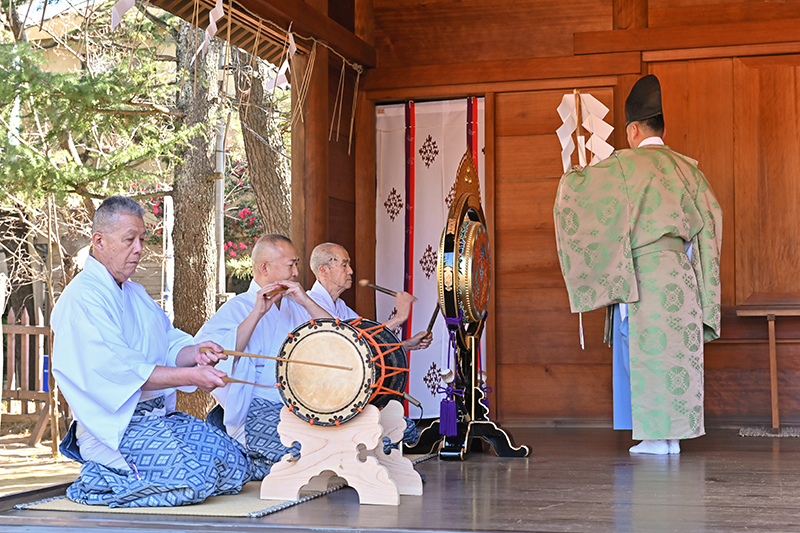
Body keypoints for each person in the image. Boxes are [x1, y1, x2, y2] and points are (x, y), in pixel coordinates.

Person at [553, 75, 722, 455]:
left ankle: (654, 437)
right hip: (681, 272)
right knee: (675, 352)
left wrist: (576, 169)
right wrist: (703, 281)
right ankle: (672, 436)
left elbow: (579, 196)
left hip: (643, 270)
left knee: (644, 349)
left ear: (632, 129)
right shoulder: (689, 169)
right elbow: (712, 222)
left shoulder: (624, 166)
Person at [52, 196, 251, 507]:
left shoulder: (135, 293)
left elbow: (167, 342)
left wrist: (196, 353)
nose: (139, 248)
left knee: (236, 467)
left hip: (158, 419)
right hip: (114, 431)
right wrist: (190, 375)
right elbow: (122, 369)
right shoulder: (81, 299)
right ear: (99, 241)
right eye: (129, 239)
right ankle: (97, 479)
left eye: (142, 239)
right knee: (191, 482)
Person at [195, 234, 332, 479]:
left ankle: (255, 463)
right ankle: (248, 458)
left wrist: (306, 300)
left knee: (350, 441)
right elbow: (207, 355)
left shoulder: (296, 305)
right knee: (310, 453)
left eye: (296, 264)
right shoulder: (237, 308)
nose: (296, 273)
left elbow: (335, 337)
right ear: (264, 267)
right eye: (291, 265)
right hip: (255, 411)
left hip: (301, 407)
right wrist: (256, 314)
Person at [307, 242, 433, 447]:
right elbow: (352, 341)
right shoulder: (310, 303)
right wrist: (399, 317)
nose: (351, 271)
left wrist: (407, 345)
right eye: (345, 265)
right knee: (396, 430)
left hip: (347, 394)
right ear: (323, 270)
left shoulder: (340, 306)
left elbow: (369, 343)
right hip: (325, 397)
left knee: (405, 428)